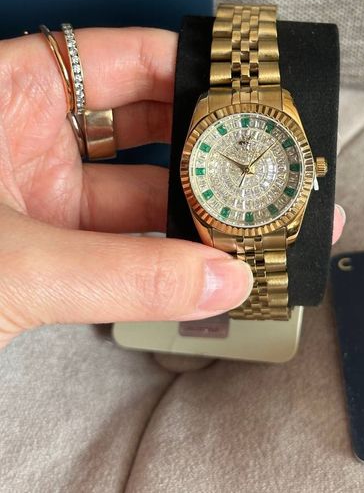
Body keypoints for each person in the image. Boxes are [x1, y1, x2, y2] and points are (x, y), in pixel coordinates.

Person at [0, 26, 345, 350]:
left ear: (311, 167)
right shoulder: (226, 111)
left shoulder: (276, 107)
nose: (247, 167)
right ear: (316, 165)